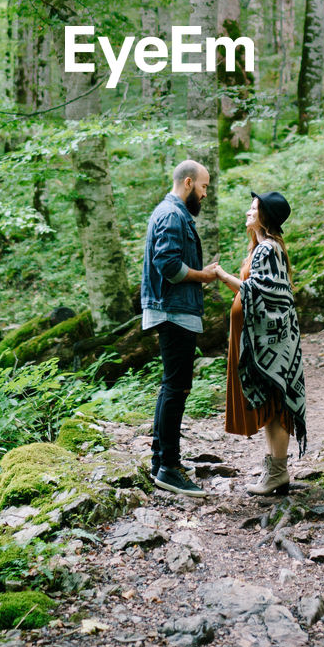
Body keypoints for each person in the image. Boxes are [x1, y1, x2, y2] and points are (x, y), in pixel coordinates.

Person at [216, 191, 307, 495]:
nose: (247, 212)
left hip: (271, 342)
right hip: (261, 339)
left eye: (253, 209)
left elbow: (262, 293)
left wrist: (220, 275)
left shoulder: (268, 249)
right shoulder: (263, 248)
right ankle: (273, 469)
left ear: (264, 216)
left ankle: (278, 472)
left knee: (277, 404)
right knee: (270, 404)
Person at [141, 160, 219, 497]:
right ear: (188, 183)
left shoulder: (171, 211)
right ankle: (168, 468)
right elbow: (170, 265)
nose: (204, 194)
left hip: (173, 310)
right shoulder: (173, 214)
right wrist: (206, 275)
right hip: (173, 311)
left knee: (172, 387)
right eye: (203, 187)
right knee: (177, 388)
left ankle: (163, 458)